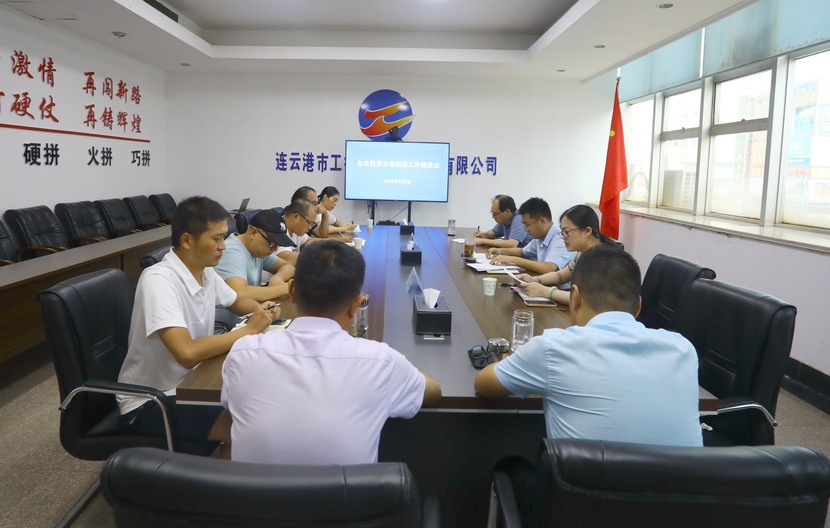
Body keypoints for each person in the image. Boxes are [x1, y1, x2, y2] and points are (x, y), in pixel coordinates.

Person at [222, 240, 442, 465]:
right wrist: (401, 369)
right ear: (356, 304)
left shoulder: (242, 353)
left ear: (292, 292)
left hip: (254, 489)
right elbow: (433, 392)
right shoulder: (380, 361)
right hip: (345, 489)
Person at [475, 245, 703, 447]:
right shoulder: (682, 349)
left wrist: (521, 360)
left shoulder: (553, 348)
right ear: (638, 307)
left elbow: (484, 385)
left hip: (585, 483)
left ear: (574, 297)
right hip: (680, 483)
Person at [118, 196, 280, 445]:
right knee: (249, 429)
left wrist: (263, 311)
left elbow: (236, 301)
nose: (223, 246)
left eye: (224, 237)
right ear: (187, 240)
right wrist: (248, 330)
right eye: (217, 239)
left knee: (259, 400)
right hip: (150, 401)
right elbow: (187, 353)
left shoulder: (205, 271)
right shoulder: (159, 280)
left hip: (192, 384)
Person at [515, 204, 617, 305]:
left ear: (587, 231)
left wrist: (546, 292)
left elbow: (586, 300)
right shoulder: (583, 252)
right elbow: (560, 276)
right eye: (562, 232)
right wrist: (535, 279)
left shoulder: (604, 259)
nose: (563, 237)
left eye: (566, 232)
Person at [214, 209, 296, 333]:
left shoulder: (257, 249)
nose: (274, 249)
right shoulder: (232, 252)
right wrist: (286, 288)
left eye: (277, 245)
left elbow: (287, 266)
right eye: (272, 243)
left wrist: (277, 278)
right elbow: (240, 292)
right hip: (223, 328)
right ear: (253, 232)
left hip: (246, 320)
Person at [487, 197, 575, 274]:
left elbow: (549, 268)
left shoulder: (560, 239)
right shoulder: (540, 237)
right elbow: (523, 252)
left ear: (542, 221)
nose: (525, 229)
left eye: (527, 225)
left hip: (559, 287)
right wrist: (499, 251)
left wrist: (513, 259)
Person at [275, 198, 319, 265]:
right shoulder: (277, 229)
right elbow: (289, 259)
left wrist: (333, 243)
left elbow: (309, 240)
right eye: (310, 223)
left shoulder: (295, 229)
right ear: (296, 217)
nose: (310, 228)